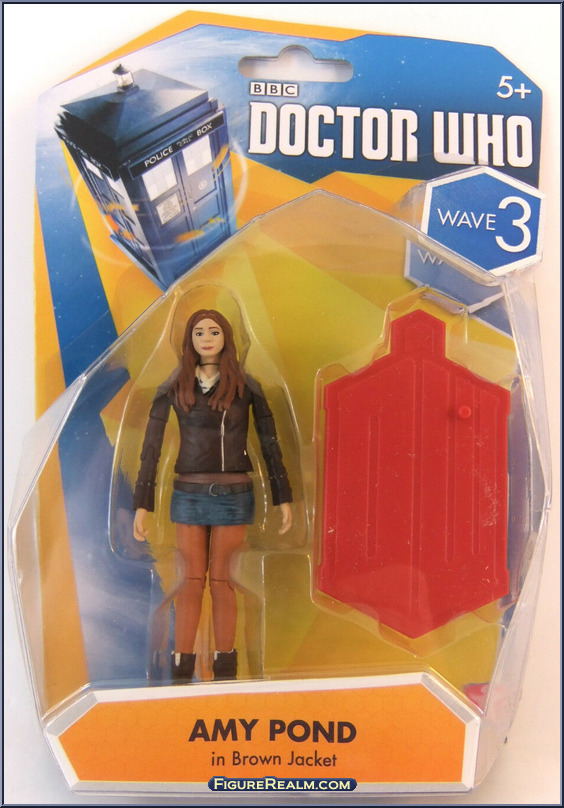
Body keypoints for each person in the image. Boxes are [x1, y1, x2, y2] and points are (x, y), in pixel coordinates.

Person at [133, 309, 292, 682]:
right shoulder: (175, 387)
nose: (206, 338)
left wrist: (283, 495)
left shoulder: (246, 387)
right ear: (189, 339)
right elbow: (151, 447)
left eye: (214, 331)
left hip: (235, 494)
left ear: (227, 338)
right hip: (188, 492)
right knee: (190, 581)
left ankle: (225, 664)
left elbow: (270, 443)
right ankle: (181, 663)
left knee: (224, 581)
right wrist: (142, 502)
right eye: (199, 332)